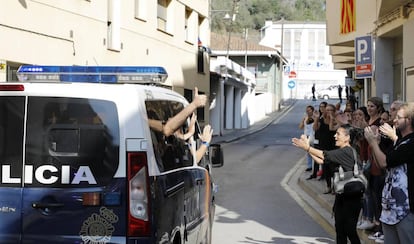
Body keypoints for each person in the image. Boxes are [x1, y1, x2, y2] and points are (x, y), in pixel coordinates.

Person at [292, 124, 363, 244]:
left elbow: (324, 154)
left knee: (349, 230)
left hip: (352, 199)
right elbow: (322, 160)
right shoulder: (341, 152)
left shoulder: (347, 151)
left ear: (347, 138)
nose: (335, 136)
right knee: (340, 230)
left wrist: (307, 148)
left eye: (338, 134)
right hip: (342, 197)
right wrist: (307, 148)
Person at [364, 102, 414, 244]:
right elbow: (383, 165)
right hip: (390, 210)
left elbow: (384, 162)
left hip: (405, 211)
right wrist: (377, 144)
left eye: (398, 116)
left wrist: (373, 143)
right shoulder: (399, 142)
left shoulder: (411, 144)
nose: (395, 120)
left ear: (409, 120)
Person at [299, 105, 315, 171]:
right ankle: (309, 166)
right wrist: (302, 121)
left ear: (312, 110)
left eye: (309, 110)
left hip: (313, 137)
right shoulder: (305, 118)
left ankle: (315, 167)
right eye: (307, 110)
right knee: (308, 152)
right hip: (306, 137)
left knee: (314, 152)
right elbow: (300, 127)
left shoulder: (315, 118)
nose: (307, 111)